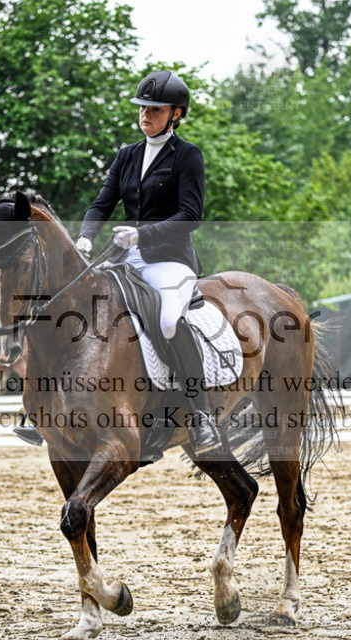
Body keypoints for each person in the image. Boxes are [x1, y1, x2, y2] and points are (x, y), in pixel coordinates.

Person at [74, 70, 222, 455]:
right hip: (125, 257)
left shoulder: (188, 155)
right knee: (81, 308)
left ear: (175, 114)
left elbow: (191, 215)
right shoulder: (127, 154)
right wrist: (86, 236)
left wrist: (143, 235)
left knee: (170, 320)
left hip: (169, 259)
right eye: (142, 108)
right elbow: (102, 202)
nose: (145, 115)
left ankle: (201, 415)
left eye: (155, 110)